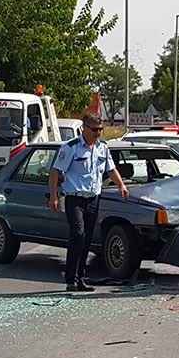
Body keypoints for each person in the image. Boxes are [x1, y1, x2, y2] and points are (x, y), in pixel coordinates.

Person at [47, 113, 126, 292]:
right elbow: (55, 172)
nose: (98, 133)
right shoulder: (71, 147)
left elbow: (111, 169)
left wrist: (121, 185)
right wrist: (53, 196)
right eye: (94, 129)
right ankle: (70, 278)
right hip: (74, 198)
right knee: (78, 234)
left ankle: (81, 278)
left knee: (87, 238)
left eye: (100, 129)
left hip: (93, 198)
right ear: (84, 128)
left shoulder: (102, 148)